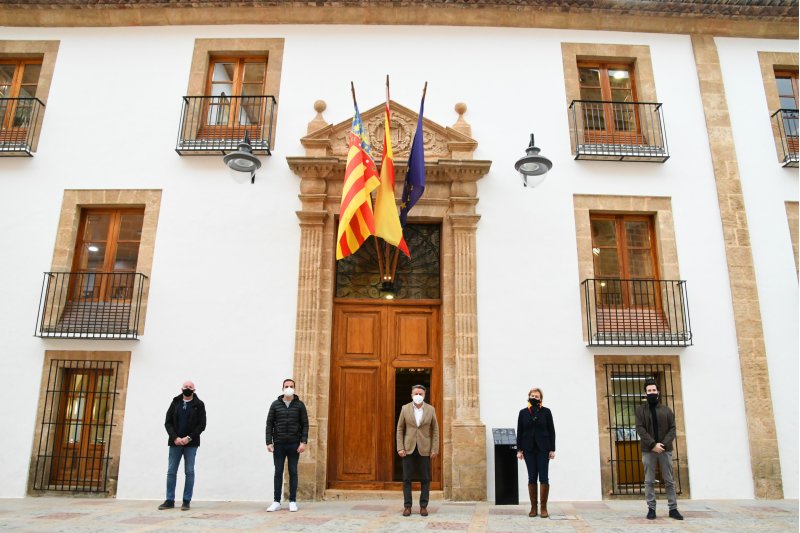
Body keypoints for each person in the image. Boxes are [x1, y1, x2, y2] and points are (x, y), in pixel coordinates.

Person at [635, 379, 683, 520]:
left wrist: (662, 444)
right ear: (645, 393)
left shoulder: (666, 410)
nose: (652, 392)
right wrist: (652, 445)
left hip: (665, 449)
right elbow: (640, 429)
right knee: (649, 481)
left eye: (653, 390)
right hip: (648, 449)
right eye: (649, 390)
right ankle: (651, 509)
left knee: (669, 480)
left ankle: (673, 509)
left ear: (658, 391)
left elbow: (672, 429)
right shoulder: (640, 411)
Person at [159, 380, 206, 511]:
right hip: (175, 443)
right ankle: (169, 500)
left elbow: (202, 424)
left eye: (190, 387)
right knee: (171, 471)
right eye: (186, 386)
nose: (188, 388)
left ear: (194, 390)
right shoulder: (175, 402)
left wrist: (189, 438)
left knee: (189, 472)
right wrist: (175, 437)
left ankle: (186, 501)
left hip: (191, 444)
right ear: (181, 389)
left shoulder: (199, 405)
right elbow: (168, 422)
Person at [265, 378, 309, 513]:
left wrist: (303, 442)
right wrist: (269, 442)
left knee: (293, 471)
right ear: (282, 388)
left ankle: (292, 501)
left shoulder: (299, 405)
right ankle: (276, 501)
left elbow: (305, 424)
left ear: (294, 388)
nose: (289, 388)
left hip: (294, 444)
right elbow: (269, 424)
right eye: (286, 386)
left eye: (291, 386)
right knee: (278, 472)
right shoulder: (275, 405)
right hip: (279, 444)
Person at [396, 384, 439, 517]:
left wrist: (434, 448)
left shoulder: (431, 409)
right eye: (416, 394)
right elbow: (400, 428)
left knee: (425, 478)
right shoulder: (405, 408)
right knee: (406, 479)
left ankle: (423, 506)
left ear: (424, 395)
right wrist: (400, 447)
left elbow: (435, 430)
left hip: (424, 448)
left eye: (421, 394)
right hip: (408, 448)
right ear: (412, 395)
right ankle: (407, 506)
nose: (418, 396)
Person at [516, 387, 555, 518]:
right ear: (529, 397)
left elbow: (551, 431)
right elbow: (520, 431)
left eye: (536, 396)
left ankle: (543, 508)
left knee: (544, 477)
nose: (534, 398)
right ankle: (533, 508)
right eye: (532, 396)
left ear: (540, 399)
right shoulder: (523, 412)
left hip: (543, 449)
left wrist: (552, 449)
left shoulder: (546, 412)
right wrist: (519, 450)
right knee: (532, 477)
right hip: (528, 449)